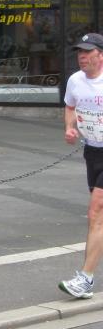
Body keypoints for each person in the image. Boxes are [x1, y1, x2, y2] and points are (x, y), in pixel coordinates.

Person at [60, 32, 103, 299]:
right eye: (79, 52)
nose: (82, 57)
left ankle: (85, 278)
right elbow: (69, 106)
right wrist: (69, 128)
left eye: (88, 52)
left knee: (95, 212)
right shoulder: (75, 81)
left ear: (101, 55)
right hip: (93, 152)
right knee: (98, 216)